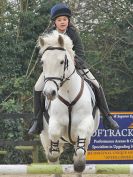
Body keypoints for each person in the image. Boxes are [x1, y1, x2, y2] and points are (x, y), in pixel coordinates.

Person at [28, 3, 119, 135]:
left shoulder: (73, 33)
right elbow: (41, 54)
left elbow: (81, 53)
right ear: (55, 22)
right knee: (37, 88)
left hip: (74, 67)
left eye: (65, 19)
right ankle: (37, 121)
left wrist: (74, 62)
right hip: (54, 70)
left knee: (96, 84)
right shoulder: (48, 35)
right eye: (59, 20)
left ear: (68, 21)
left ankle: (108, 117)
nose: (62, 22)